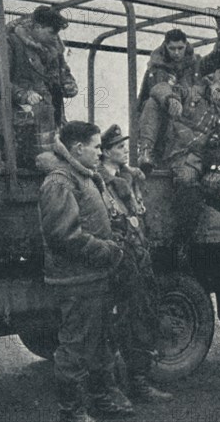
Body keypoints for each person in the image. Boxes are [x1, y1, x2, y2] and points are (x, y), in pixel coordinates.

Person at [38, 121, 133, 422]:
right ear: (78, 148)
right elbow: (64, 236)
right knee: (75, 349)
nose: (99, 151)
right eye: (95, 146)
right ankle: (72, 412)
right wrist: (105, 250)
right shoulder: (60, 182)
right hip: (76, 280)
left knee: (99, 344)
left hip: (92, 278)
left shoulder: (82, 176)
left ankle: (102, 400)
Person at [98, 124, 173, 402]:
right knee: (118, 323)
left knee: (141, 317)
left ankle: (139, 382)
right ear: (105, 152)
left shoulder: (128, 178)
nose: (124, 151)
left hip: (138, 255)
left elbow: (139, 216)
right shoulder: (100, 182)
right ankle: (120, 386)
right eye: (118, 147)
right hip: (120, 260)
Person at [161, 67, 220, 258]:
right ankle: (182, 242)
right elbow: (175, 125)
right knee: (187, 183)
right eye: (218, 90)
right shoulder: (193, 94)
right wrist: (201, 142)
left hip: (211, 161)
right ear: (211, 84)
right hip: (184, 154)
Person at [0, 5, 78, 169]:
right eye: (52, 32)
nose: (55, 37)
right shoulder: (11, 43)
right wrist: (23, 94)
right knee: (24, 176)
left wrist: (68, 84)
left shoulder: (54, 49)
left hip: (51, 125)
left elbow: (63, 73)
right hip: (21, 130)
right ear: (37, 27)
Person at [136, 25, 220, 172]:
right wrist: (170, 98)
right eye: (172, 48)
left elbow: (216, 60)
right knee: (152, 102)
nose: (177, 53)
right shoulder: (157, 68)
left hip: (189, 121)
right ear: (165, 47)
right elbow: (156, 89)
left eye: (180, 48)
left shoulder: (194, 64)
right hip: (163, 123)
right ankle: (146, 150)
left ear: (186, 46)